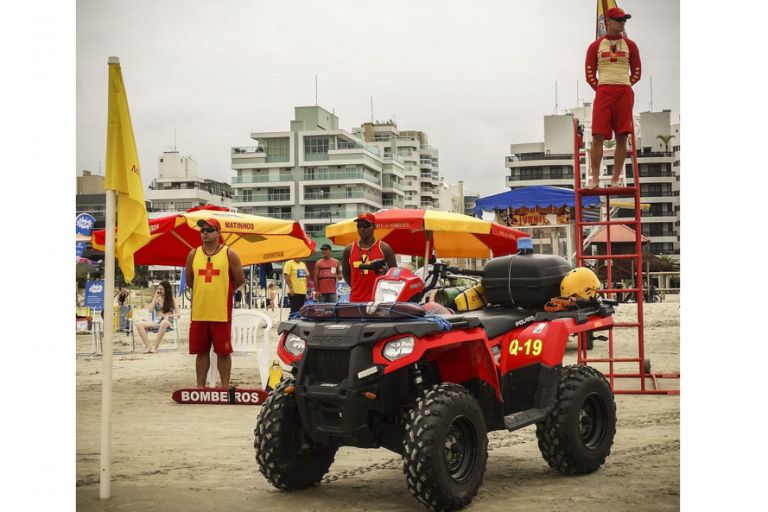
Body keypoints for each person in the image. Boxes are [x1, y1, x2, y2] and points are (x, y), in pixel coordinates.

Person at [185, 218, 245, 388]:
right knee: (201, 352)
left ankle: (225, 387)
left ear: (218, 233)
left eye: (209, 229)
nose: (204, 233)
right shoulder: (193, 254)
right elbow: (190, 281)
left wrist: (222, 289)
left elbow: (239, 279)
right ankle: (200, 387)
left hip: (221, 312)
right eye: (202, 230)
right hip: (199, 312)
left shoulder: (229, 254)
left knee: (223, 352)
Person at [585, 7, 641, 189]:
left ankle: (616, 178)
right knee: (597, 135)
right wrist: (602, 88)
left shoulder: (630, 45)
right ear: (608, 22)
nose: (622, 23)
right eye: (618, 19)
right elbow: (590, 73)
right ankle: (594, 179)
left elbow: (637, 71)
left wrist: (624, 84)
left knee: (622, 136)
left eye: (624, 19)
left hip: (624, 92)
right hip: (604, 92)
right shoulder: (595, 46)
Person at [342, 212, 397, 302]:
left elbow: (394, 274)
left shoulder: (384, 248)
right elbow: (346, 274)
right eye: (359, 226)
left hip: (378, 300)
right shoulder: (349, 250)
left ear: (374, 226)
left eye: (366, 226)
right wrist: (356, 288)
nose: (362, 229)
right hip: (355, 300)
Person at [135, 281, 179, 353]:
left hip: (168, 322)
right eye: (158, 289)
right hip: (157, 322)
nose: (159, 291)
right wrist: (155, 298)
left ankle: (155, 347)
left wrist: (169, 316)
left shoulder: (172, 300)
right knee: (139, 324)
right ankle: (148, 347)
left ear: (166, 290)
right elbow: (150, 310)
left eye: (161, 289)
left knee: (164, 323)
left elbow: (178, 314)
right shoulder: (157, 299)